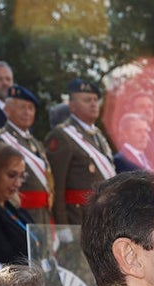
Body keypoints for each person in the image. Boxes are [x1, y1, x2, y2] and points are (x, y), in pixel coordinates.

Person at [45, 78, 115, 228]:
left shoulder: (97, 134)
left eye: (96, 99)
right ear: (72, 105)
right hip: (78, 218)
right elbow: (57, 185)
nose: (93, 103)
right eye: (87, 100)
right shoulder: (62, 135)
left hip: (103, 216)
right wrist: (62, 225)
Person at [0, 84, 53, 228]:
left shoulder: (35, 142)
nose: (27, 112)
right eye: (21, 107)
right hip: (19, 212)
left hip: (42, 214)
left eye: (31, 108)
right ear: (7, 110)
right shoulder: (0, 138)